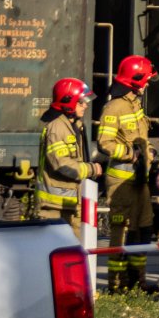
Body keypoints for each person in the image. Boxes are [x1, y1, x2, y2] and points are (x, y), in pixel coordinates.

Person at [96, 56, 159, 293]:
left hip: (139, 180)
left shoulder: (135, 105)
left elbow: (137, 138)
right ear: (135, 80)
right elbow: (105, 142)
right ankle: (116, 284)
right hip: (121, 180)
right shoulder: (115, 107)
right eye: (146, 80)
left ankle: (137, 282)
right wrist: (130, 154)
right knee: (121, 232)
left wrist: (148, 151)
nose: (148, 84)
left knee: (143, 229)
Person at [36, 77, 102, 238]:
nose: (86, 105)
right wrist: (91, 169)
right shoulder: (57, 128)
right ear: (68, 102)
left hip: (68, 205)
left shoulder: (74, 126)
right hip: (53, 208)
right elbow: (61, 163)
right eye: (81, 102)